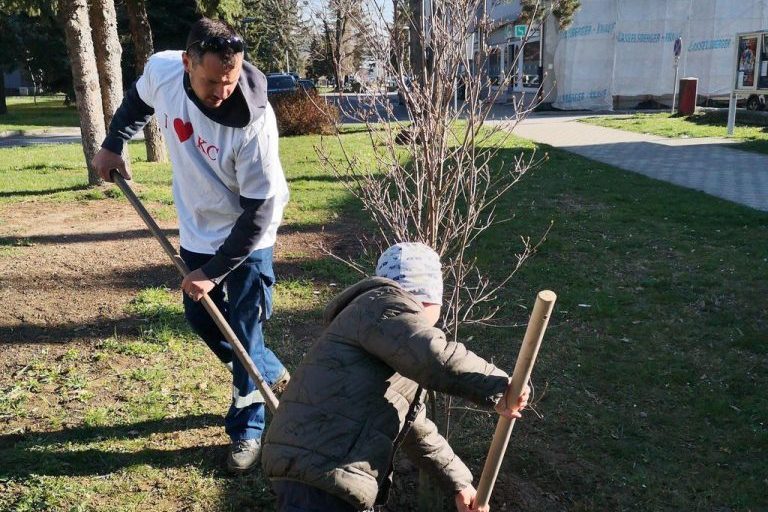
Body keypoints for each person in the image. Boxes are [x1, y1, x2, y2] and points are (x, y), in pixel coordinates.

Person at [91, 17, 290, 473]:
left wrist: (213, 272)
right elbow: (137, 101)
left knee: (242, 329)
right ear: (187, 63)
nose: (222, 92)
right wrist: (113, 142)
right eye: (212, 81)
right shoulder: (163, 70)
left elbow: (258, 213)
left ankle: (248, 428)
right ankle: (267, 370)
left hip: (249, 235)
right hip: (198, 225)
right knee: (201, 319)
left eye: (231, 80)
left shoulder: (253, 124)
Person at [262, 242, 530, 512]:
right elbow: (436, 358)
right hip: (324, 467)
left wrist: (459, 483)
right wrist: (502, 387)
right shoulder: (385, 308)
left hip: (319, 465)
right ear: (429, 294)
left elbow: (415, 430)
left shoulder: (391, 342)